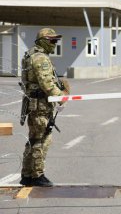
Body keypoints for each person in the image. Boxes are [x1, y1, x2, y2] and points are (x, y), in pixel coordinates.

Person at [19, 28, 68, 187]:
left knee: (33, 139)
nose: (55, 44)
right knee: (42, 139)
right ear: (43, 41)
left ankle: (26, 175)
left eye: (56, 41)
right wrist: (61, 98)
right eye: (52, 40)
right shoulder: (40, 58)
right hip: (40, 105)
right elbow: (46, 83)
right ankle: (37, 175)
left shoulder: (30, 55)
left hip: (33, 103)